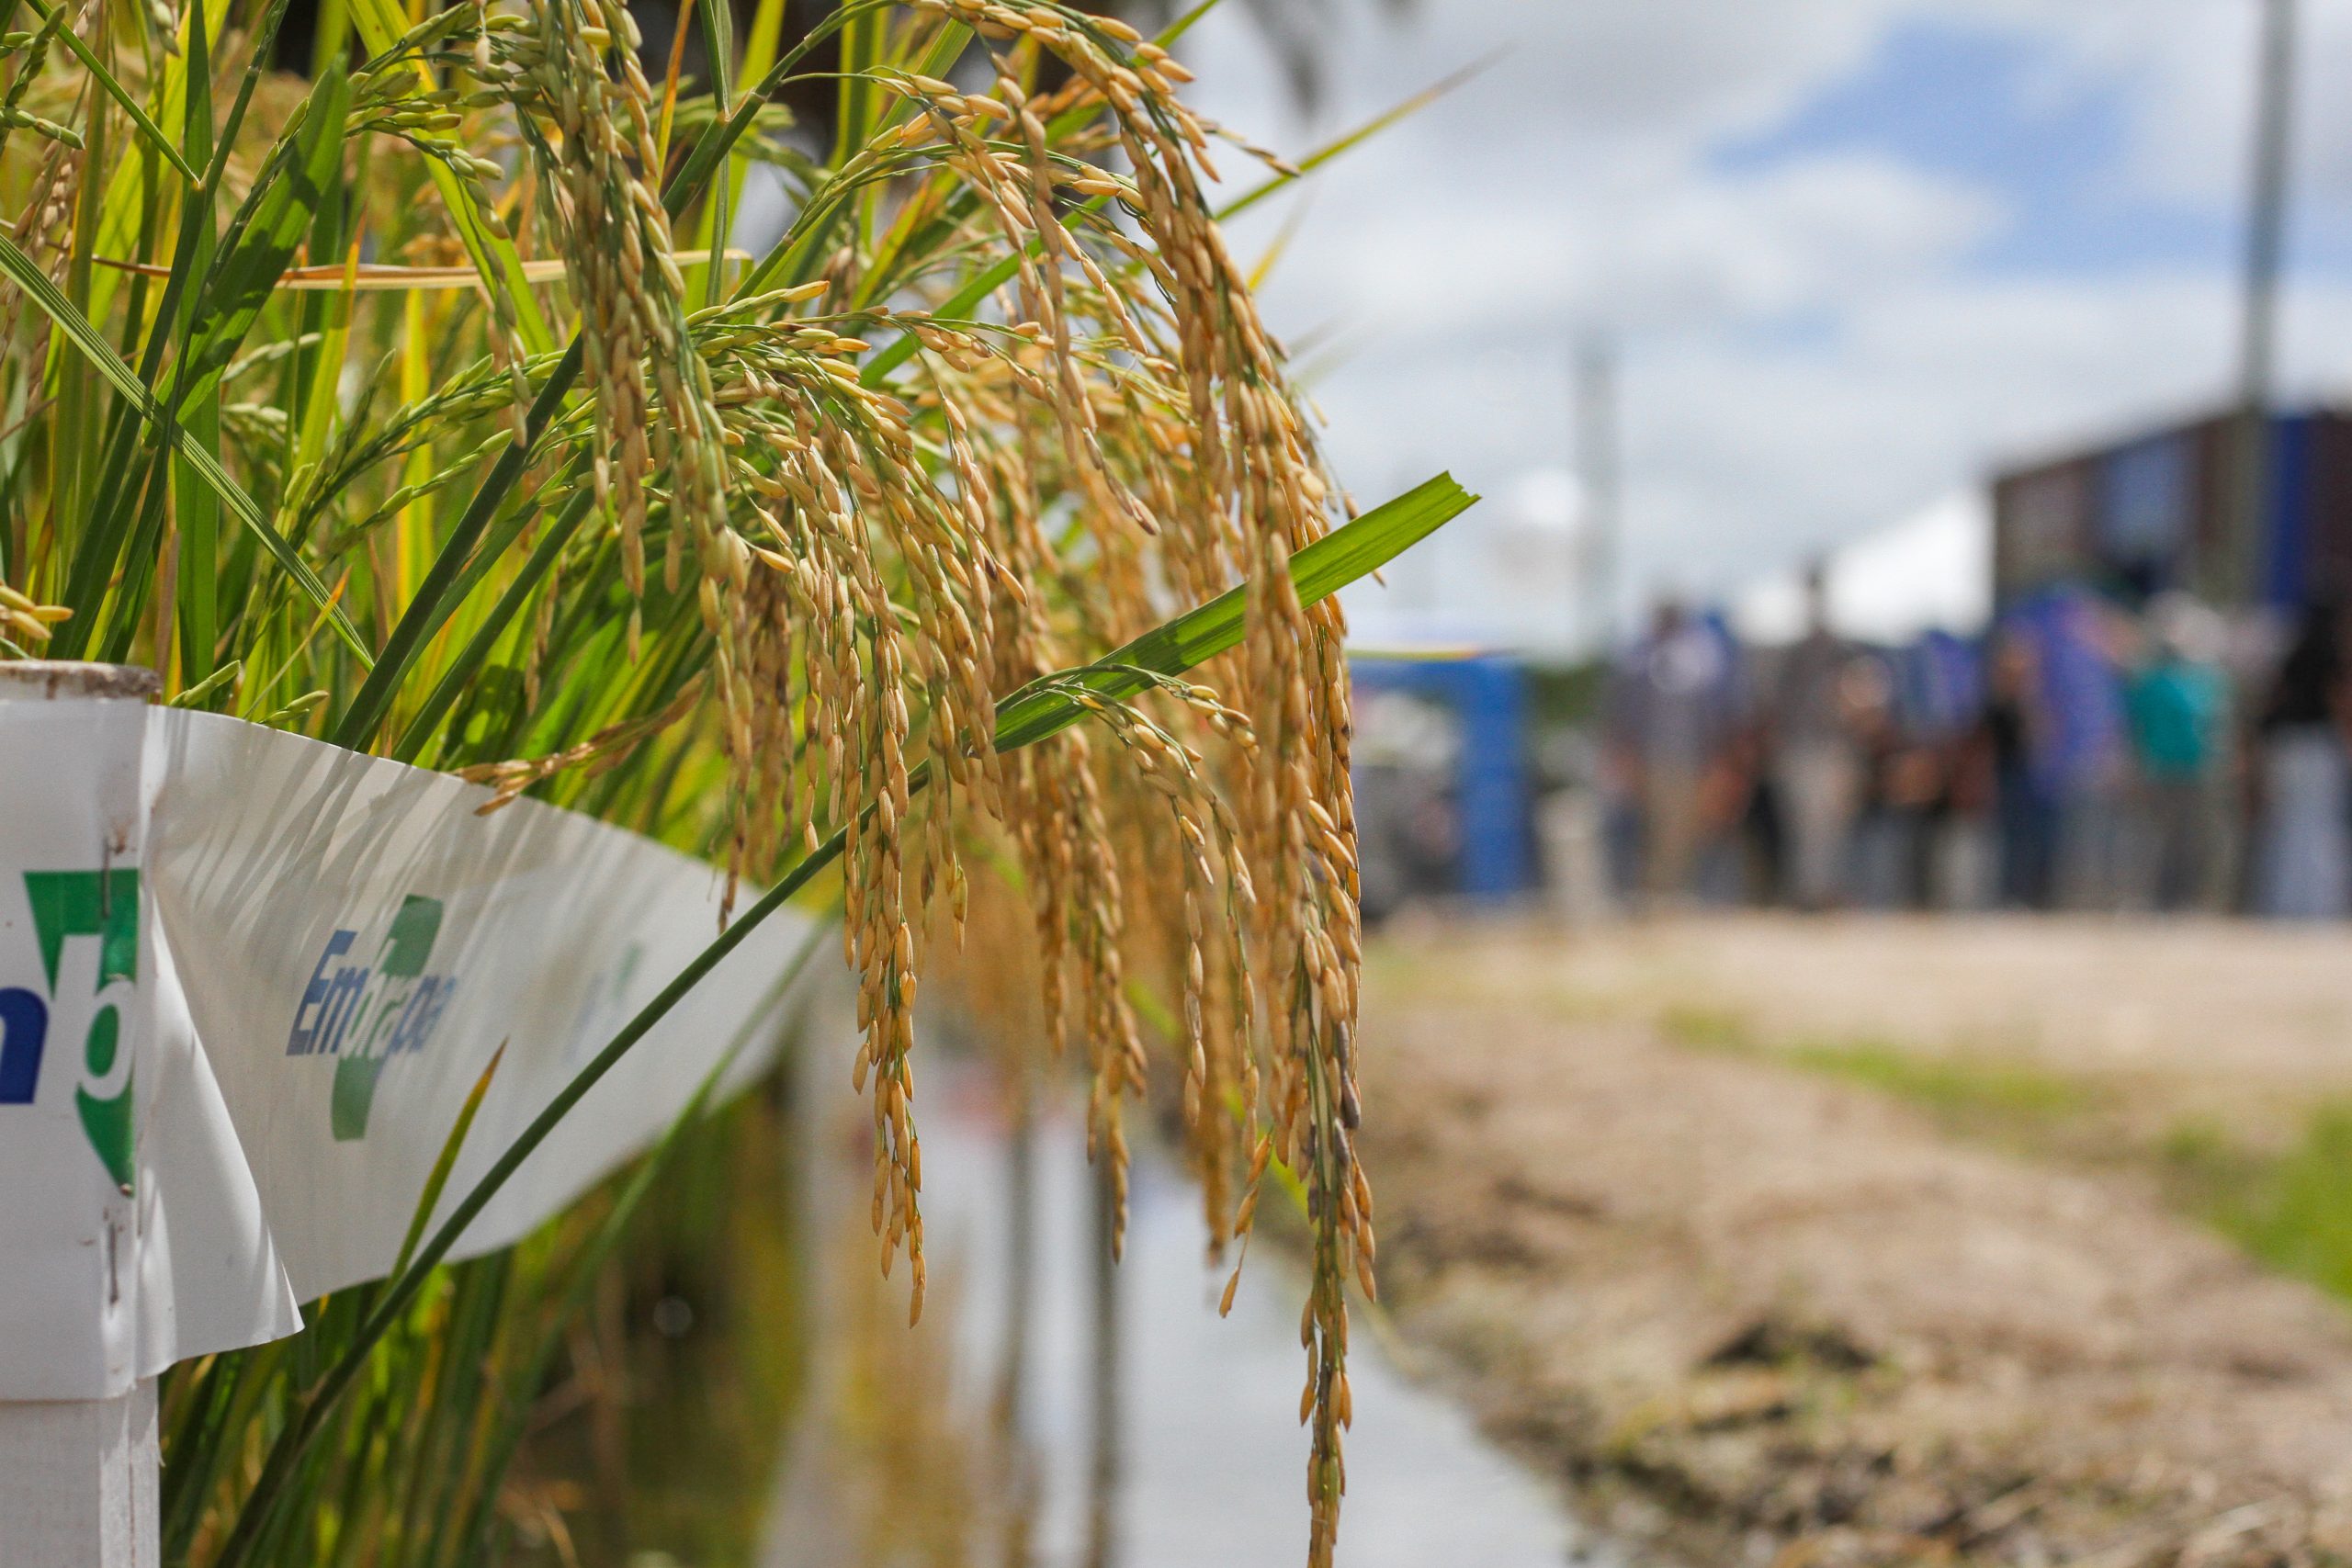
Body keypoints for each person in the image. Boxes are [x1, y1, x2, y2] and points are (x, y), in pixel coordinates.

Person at [1607, 599, 1740, 907]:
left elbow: (1713, 717)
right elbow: (1625, 714)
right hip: (1652, 758)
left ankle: (1672, 890)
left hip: (1690, 759)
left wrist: (1718, 763)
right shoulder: (1641, 659)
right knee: (1653, 826)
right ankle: (1658, 892)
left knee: (1683, 827)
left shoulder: (1699, 661)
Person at [2123, 594, 2231, 912]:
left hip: (2198, 769)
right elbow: (2137, 727)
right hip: (2163, 770)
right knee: (2162, 842)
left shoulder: (2207, 679)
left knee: (2196, 841)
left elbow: (2217, 727)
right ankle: (2161, 900)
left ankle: (2194, 899)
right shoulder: (2152, 680)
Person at [1767, 566, 1860, 909]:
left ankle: (1825, 891)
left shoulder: (1840, 649)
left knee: (1830, 826)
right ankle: (1808, 893)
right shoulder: (1797, 652)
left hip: (1832, 747)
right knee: (1806, 825)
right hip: (1803, 747)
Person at [2254, 604, 2352, 920]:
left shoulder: (2293, 654)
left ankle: (2281, 904)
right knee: (2318, 826)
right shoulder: (2329, 653)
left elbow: (2272, 699)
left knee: (2287, 826)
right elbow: (2338, 700)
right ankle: (2313, 907)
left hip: (2284, 745)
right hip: (2316, 745)